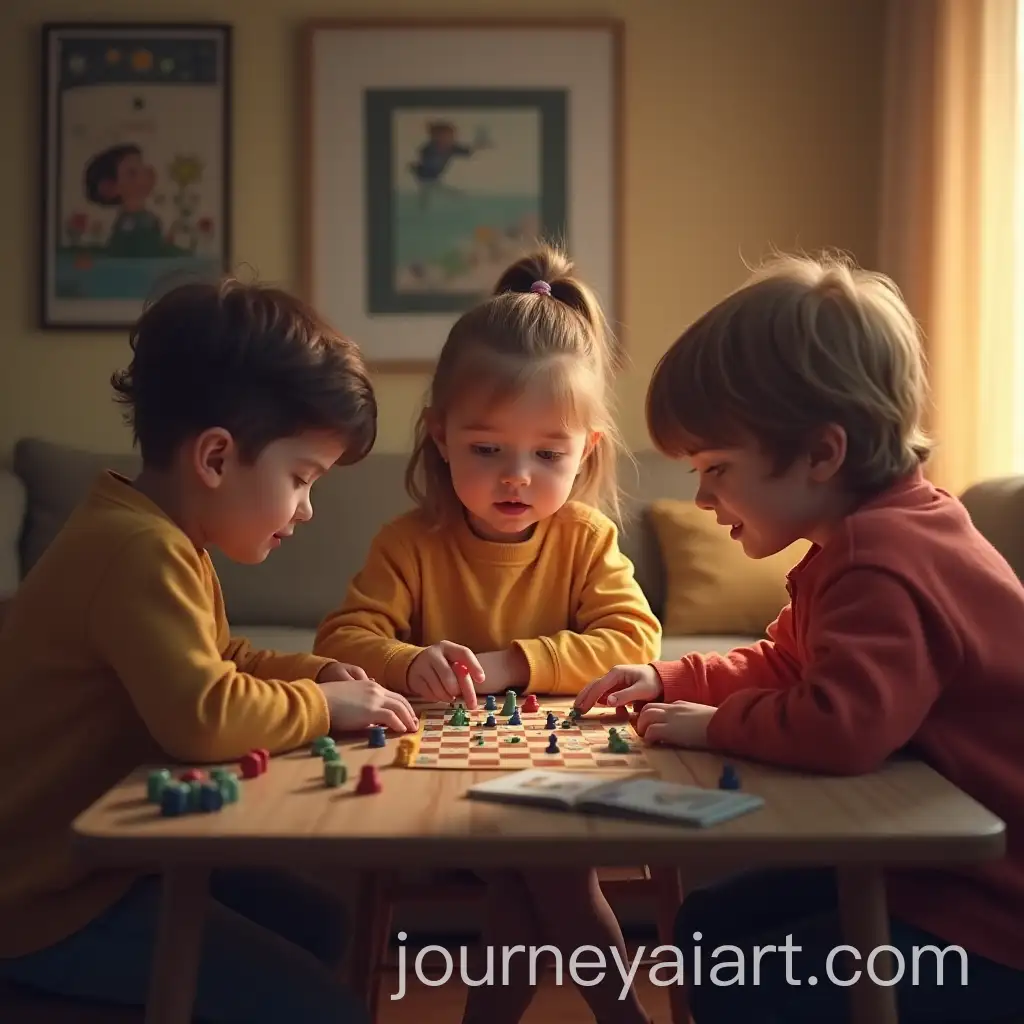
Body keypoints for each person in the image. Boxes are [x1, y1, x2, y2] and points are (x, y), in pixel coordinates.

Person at [574, 252, 1024, 1022]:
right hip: (935, 875)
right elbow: (790, 663)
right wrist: (673, 680)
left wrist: (715, 727)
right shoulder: (875, 533)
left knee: (744, 979)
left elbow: (840, 728)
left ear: (822, 452)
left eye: (715, 467)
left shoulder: (881, 558)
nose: (703, 495)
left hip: (989, 919)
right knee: (711, 928)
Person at [0, 277, 419, 1023]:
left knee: (321, 923)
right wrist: (324, 706)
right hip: (46, 899)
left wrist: (318, 671)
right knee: (328, 1010)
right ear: (218, 458)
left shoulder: (158, 534)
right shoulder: (137, 551)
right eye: (301, 478)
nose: (307, 508)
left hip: (102, 869)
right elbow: (205, 715)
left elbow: (221, 657)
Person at [314, 245, 662, 1024]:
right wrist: (409, 662)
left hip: (556, 775)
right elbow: (342, 638)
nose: (517, 477)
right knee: (548, 869)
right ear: (438, 436)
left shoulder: (585, 539)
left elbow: (634, 641)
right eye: (487, 449)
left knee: (530, 868)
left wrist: (511, 663)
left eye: (548, 454)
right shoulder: (410, 543)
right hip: (440, 779)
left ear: (588, 452)